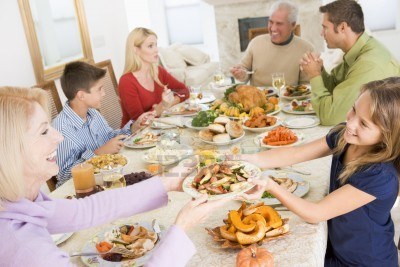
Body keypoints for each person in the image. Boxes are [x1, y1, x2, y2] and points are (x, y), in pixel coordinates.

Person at [0, 86, 230, 267]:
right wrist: (181, 228)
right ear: (9, 152)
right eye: (43, 131)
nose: (58, 137)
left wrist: (169, 181)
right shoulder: (28, 252)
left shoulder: (20, 203)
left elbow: (87, 210)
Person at [237, 77, 400, 265]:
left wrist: (269, 184)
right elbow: (295, 154)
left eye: (364, 124)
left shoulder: (380, 175)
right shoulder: (344, 137)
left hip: (363, 261)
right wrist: (250, 160)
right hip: (339, 247)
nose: (351, 123)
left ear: (387, 137)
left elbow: (315, 213)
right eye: (354, 109)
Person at [53, 61, 154, 187]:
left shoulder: (93, 113)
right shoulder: (61, 129)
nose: (104, 93)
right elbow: (63, 177)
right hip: (86, 189)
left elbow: (109, 137)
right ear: (81, 95)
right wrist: (97, 154)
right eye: (99, 89)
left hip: (109, 177)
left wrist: (133, 128)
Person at [300, 0, 400, 126]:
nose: (321, 33)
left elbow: (330, 117)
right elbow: (335, 89)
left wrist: (314, 75)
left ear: (342, 27)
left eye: (325, 27)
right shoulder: (357, 50)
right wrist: (319, 70)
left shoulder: (368, 64)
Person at [230, 0, 314, 87]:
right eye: (271, 22)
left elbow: (306, 87)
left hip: (289, 99)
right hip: (258, 99)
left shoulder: (306, 49)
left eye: (279, 24)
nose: (273, 28)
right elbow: (245, 71)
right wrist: (241, 74)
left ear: (292, 25)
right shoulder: (256, 43)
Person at [119, 27, 189, 125]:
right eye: (150, 46)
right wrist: (161, 106)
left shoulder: (158, 71)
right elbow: (141, 122)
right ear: (136, 50)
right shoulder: (126, 82)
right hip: (135, 136)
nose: (156, 50)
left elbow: (185, 90)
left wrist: (168, 104)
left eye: (156, 45)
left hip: (158, 126)